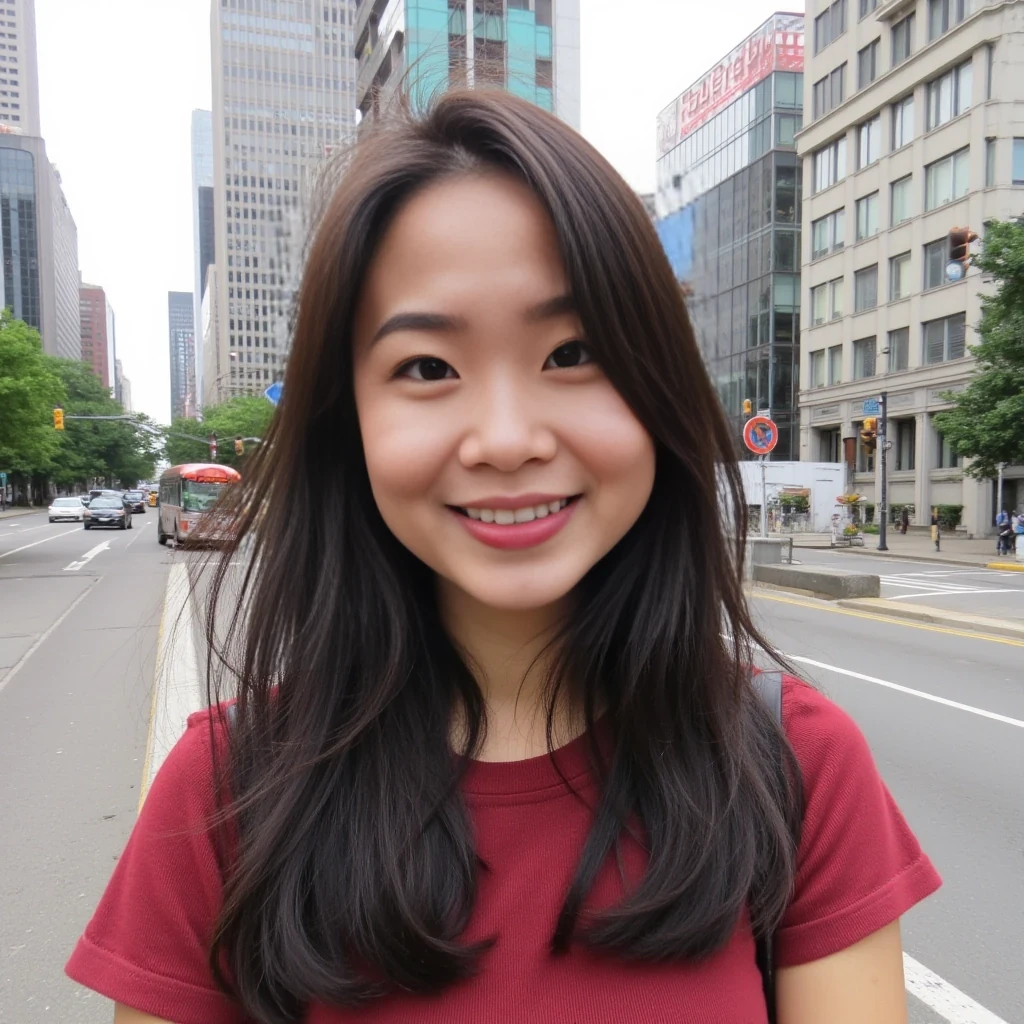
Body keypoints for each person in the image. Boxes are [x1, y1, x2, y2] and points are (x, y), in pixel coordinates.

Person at [65, 91, 940, 1024]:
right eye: (427, 368)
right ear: (347, 422)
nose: (508, 439)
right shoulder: (227, 794)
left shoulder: (794, 766)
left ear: (658, 392)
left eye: (572, 352)